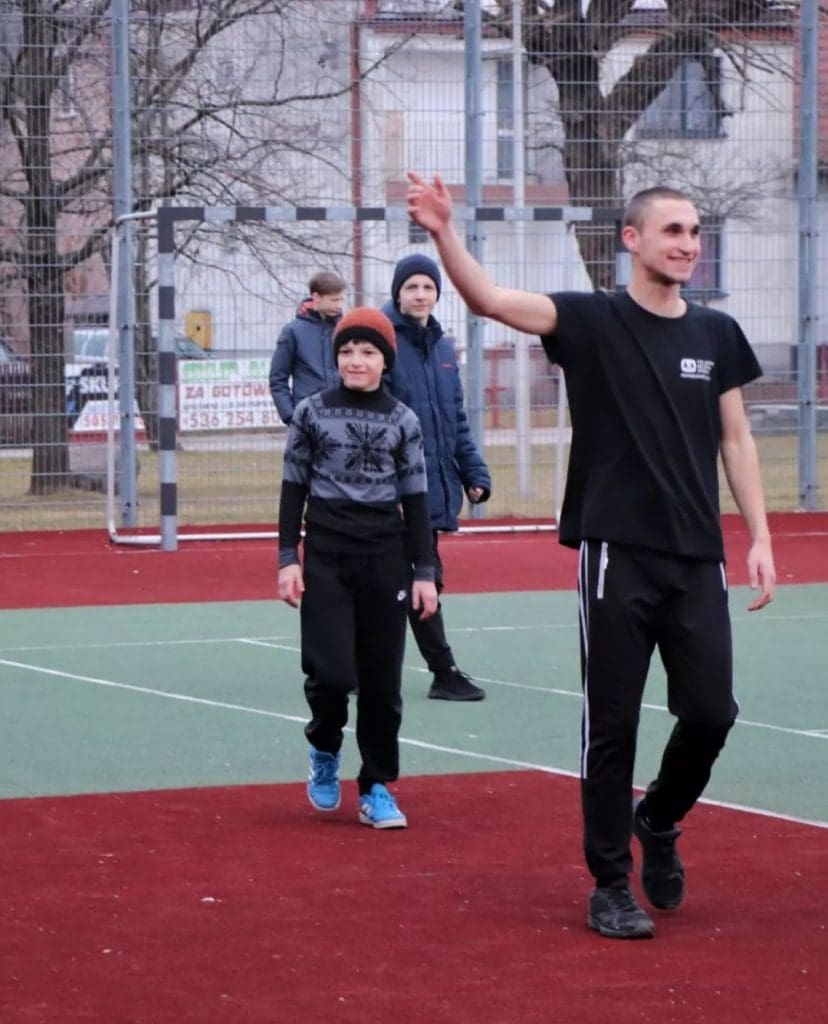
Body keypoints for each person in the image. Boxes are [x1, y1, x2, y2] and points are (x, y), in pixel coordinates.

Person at [406, 171, 776, 938]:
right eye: (673, 230)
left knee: (712, 713)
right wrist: (443, 233)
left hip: (696, 557)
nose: (689, 244)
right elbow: (490, 300)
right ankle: (610, 884)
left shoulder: (716, 333)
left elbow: (736, 439)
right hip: (616, 554)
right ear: (632, 240)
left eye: (695, 232)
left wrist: (760, 538)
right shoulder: (591, 320)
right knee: (611, 724)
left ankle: (659, 819)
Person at [278, 306, 438, 829]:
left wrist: (424, 570)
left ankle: (376, 787)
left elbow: (416, 498)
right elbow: (293, 487)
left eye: (367, 351)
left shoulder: (403, 420)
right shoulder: (310, 412)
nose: (356, 360)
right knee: (332, 675)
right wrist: (287, 558)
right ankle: (324, 747)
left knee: (381, 684)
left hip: (385, 558)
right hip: (327, 554)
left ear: (385, 360)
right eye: (347, 351)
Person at [382, 253, 492, 702]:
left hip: (431, 489)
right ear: (398, 293)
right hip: (394, 493)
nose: (421, 295)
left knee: (410, 580)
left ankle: (359, 666)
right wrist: (386, 485)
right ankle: (444, 672)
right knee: (417, 578)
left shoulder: (443, 349)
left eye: (428, 287)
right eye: (412, 287)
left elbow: (455, 421)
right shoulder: (382, 342)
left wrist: (474, 473)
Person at [269, 271, 347, 425]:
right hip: (308, 420)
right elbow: (278, 379)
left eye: (341, 299)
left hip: (344, 417)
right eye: (334, 300)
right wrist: (291, 417)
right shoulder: (293, 332)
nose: (339, 305)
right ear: (317, 297)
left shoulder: (345, 329)